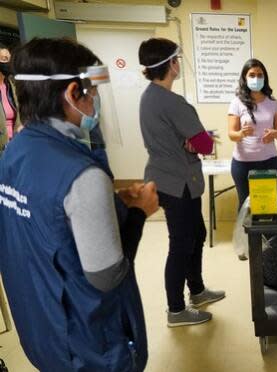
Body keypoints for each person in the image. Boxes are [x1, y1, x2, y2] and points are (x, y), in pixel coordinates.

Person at [0, 37, 159, 371]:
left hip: (44, 328)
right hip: (90, 344)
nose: (97, 100)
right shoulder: (82, 175)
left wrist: (109, 205)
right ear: (73, 93)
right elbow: (107, 276)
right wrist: (138, 213)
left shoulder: (14, 152)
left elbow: (49, 225)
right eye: (93, 91)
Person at [138, 38, 225, 327]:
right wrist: (200, 139)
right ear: (171, 65)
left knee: (196, 234)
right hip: (178, 183)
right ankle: (176, 310)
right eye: (178, 59)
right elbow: (203, 144)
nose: (180, 64)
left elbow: (187, 139)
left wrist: (193, 140)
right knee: (181, 244)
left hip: (164, 177)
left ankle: (197, 291)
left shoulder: (148, 96)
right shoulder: (173, 102)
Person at [228, 58, 277, 213]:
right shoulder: (237, 103)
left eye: (260, 75)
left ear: (264, 78)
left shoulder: (273, 102)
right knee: (246, 206)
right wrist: (241, 133)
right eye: (252, 75)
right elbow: (231, 134)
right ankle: (245, 238)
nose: (256, 78)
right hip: (243, 164)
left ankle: (269, 238)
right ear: (244, 78)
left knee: (268, 206)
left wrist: (275, 133)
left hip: (270, 162)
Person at [0, 42, 20, 155]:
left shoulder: (13, 85)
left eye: (8, 58)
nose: (7, 63)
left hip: (16, 145)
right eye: (3, 59)